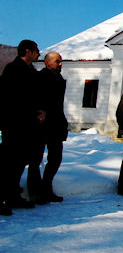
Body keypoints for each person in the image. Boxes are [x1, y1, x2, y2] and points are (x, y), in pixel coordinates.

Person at [0, 39, 41, 213]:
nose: (38, 53)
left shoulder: (31, 70)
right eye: (36, 50)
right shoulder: (13, 69)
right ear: (27, 51)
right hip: (14, 124)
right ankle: (2, 198)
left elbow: (33, 96)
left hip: (28, 125)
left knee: (20, 162)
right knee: (9, 162)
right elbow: (11, 98)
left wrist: (39, 111)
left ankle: (13, 196)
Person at [30, 52, 68, 204]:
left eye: (61, 61)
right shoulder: (40, 78)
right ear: (47, 62)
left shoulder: (58, 78)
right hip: (41, 125)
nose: (60, 64)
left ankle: (46, 188)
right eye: (57, 61)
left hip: (56, 124)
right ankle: (35, 192)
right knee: (35, 159)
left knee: (56, 157)